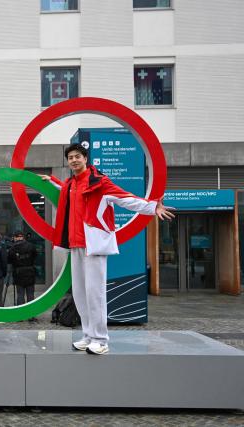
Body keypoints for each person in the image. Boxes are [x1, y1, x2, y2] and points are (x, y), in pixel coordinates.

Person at [40, 143, 174, 355]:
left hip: (94, 245)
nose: (74, 160)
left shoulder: (99, 182)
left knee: (95, 293)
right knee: (80, 293)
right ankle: (87, 335)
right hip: (75, 244)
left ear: (86, 158)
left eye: (77, 156)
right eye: (70, 157)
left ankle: (100, 339)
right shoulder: (70, 184)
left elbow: (125, 198)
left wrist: (151, 206)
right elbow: (65, 190)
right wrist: (53, 181)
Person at [7, 230, 37, 314]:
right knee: (30, 294)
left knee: (20, 294)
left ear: (16, 238)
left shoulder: (12, 248)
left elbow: (9, 260)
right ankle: (31, 314)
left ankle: (20, 314)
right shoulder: (31, 246)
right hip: (30, 272)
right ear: (22, 237)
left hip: (18, 273)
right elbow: (35, 255)